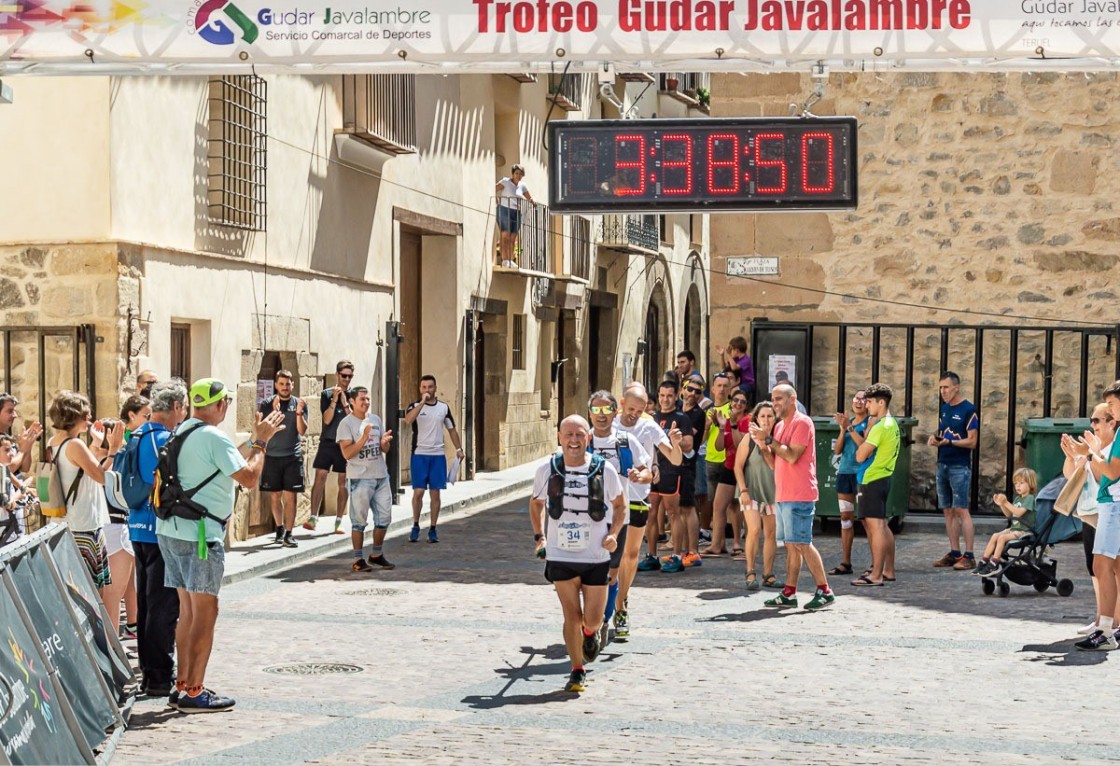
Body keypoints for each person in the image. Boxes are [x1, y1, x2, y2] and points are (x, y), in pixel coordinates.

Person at [158, 378, 284, 712]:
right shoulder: (213, 436)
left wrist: (255, 440)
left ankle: (182, 685)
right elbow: (249, 478)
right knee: (205, 615)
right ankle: (195, 691)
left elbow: (223, 462)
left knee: (186, 613)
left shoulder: (183, 430)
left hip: (171, 530)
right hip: (199, 534)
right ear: (222, 405)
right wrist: (262, 445)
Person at [530, 415, 625, 693]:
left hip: (595, 555)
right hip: (560, 554)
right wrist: (540, 537)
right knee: (571, 614)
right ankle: (577, 669)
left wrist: (613, 534)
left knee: (592, 619)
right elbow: (536, 504)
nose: (574, 440)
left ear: (588, 438)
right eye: (568, 434)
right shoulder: (546, 470)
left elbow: (620, 507)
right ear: (559, 437)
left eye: (579, 435)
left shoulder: (604, 470)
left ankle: (589, 633)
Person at [751, 384, 836, 611]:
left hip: (800, 493)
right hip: (783, 494)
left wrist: (768, 439)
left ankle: (824, 590)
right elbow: (773, 463)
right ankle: (789, 592)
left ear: (792, 399)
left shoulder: (802, 423)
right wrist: (762, 444)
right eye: (773, 398)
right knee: (791, 545)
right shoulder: (779, 428)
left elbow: (791, 456)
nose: (775, 402)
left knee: (802, 543)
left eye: (779, 399)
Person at [129, 379, 188, 698]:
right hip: (158, 530)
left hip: (138, 526)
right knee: (162, 606)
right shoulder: (163, 438)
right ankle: (159, 675)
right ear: (176, 408)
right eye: (184, 407)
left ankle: (151, 673)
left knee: (147, 604)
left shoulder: (137, 434)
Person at [613, 385, 681, 637]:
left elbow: (675, 460)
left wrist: (675, 445)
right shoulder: (609, 425)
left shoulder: (649, 427)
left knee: (630, 555)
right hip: (611, 501)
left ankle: (621, 603)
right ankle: (606, 601)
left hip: (637, 499)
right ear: (621, 403)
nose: (634, 415)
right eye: (630, 409)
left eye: (640, 411)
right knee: (609, 556)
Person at [46, 391, 124, 598]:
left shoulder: (53, 442)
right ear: (74, 416)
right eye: (85, 415)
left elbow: (81, 472)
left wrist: (95, 445)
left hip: (65, 522)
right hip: (83, 525)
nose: (89, 419)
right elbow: (99, 476)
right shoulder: (74, 444)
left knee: (72, 590)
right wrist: (114, 449)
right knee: (88, 592)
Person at [587, 391, 651, 643]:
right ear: (590, 413)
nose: (601, 416)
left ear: (615, 412)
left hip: (617, 518)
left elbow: (648, 473)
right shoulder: (583, 439)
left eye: (606, 411)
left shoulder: (625, 441)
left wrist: (639, 475)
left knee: (612, 573)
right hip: (587, 519)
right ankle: (593, 617)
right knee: (589, 572)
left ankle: (605, 617)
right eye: (596, 411)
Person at [1061, 403, 1118, 637]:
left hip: (1105, 510)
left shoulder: (1111, 448)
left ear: (1111, 422)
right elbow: (1070, 474)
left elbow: (1100, 474)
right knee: (1095, 569)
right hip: (1090, 512)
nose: (1092, 425)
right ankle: (1100, 619)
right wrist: (1073, 456)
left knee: (1109, 569)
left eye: (1096, 420)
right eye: (1091, 420)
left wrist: (1088, 454)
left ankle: (1111, 623)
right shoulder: (1094, 447)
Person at [1075, 380, 1120, 650]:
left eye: (1113, 404)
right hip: (1113, 503)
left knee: (1101, 565)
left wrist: (1091, 452)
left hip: (1114, 504)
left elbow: (1113, 472)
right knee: (1114, 567)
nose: (1111, 410)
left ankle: (1104, 631)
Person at [337, 387, 396, 572]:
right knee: (359, 522)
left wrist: (384, 444)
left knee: (385, 518)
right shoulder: (346, 424)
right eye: (362, 399)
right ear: (352, 402)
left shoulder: (376, 419)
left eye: (368, 399)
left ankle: (376, 555)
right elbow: (347, 453)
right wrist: (363, 438)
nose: (366, 402)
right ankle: (357, 559)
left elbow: (383, 450)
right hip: (359, 478)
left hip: (380, 476)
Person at [106, 394, 150, 639]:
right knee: (116, 590)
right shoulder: (128, 440)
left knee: (131, 580)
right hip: (119, 521)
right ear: (131, 415)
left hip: (127, 521)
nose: (149, 421)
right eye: (146, 416)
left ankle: (134, 624)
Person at [929, 371, 979, 571]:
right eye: (941, 387)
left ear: (956, 387)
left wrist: (951, 442)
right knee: (948, 511)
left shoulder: (968, 410)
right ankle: (954, 552)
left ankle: (970, 555)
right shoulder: (944, 410)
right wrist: (936, 440)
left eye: (946, 387)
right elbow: (943, 434)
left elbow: (972, 441)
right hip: (943, 463)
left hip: (959, 466)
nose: (943, 391)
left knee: (961, 510)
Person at [404, 375, 464, 544]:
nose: (427, 390)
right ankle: (415, 525)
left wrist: (458, 449)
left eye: (430, 387)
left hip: (437, 455)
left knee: (435, 493)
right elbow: (408, 420)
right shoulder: (414, 406)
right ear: (420, 389)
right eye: (424, 387)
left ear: (435, 388)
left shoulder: (443, 408)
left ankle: (432, 528)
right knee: (418, 492)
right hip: (419, 454)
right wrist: (422, 403)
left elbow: (451, 429)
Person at [851, 383, 900, 586]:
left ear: (881, 402)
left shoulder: (880, 427)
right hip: (883, 477)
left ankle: (876, 574)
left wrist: (868, 433)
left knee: (876, 527)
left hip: (872, 479)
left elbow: (861, 455)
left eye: (869, 401)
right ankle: (887, 570)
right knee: (882, 525)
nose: (866, 404)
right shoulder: (892, 423)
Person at [734, 400, 782, 591]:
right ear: (756, 418)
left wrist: (765, 446)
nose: (766, 420)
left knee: (771, 533)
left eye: (770, 416)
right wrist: (743, 490)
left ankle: (768, 574)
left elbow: (776, 465)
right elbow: (738, 466)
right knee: (754, 530)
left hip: (773, 492)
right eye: (762, 416)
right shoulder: (748, 438)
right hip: (751, 490)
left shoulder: (778, 439)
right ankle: (750, 571)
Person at [257, 370, 307, 548]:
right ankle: (279, 528)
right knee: (275, 495)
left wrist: (299, 414)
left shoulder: (299, 404)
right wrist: (274, 411)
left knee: (291, 497)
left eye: (288, 384)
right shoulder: (266, 404)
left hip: (292, 456)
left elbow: (302, 431)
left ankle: (290, 533)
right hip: (271, 456)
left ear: (293, 384)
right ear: (276, 385)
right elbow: (260, 428)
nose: (285, 387)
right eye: (282, 384)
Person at [649, 380, 695, 573]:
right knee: (650, 513)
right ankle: (651, 555)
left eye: (669, 395)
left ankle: (677, 555)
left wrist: (674, 441)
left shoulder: (682, 418)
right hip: (653, 469)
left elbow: (689, 444)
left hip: (672, 470)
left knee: (673, 513)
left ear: (676, 397)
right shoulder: (650, 418)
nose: (665, 399)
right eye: (662, 395)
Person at [307, 361, 355, 534]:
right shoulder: (326, 394)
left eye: (350, 376)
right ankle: (313, 517)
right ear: (337, 375)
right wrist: (335, 400)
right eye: (344, 376)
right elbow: (326, 420)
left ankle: (339, 520)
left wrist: (345, 402)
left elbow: (354, 421)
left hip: (345, 444)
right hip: (327, 441)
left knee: (343, 481)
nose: (347, 379)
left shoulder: (354, 395)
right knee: (320, 476)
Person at [830, 390, 871, 576]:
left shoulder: (871, 422)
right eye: (856, 398)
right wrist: (843, 429)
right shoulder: (849, 423)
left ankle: (875, 563)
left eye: (863, 399)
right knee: (846, 519)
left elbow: (865, 446)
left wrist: (850, 428)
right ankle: (846, 562)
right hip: (845, 473)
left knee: (868, 520)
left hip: (862, 474)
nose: (859, 401)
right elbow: (837, 451)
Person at [974, 468, 1038, 577]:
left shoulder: (1030, 498)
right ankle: (984, 561)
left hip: (1024, 531)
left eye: (1021, 483)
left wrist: (1006, 502)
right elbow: (1009, 515)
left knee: (1002, 538)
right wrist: (1002, 504)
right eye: (1016, 483)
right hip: (1015, 529)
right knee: (995, 535)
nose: (1018, 486)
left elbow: (1018, 513)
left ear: (1030, 484)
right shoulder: (1018, 499)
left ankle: (994, 562)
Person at [678, 376, 708, 568]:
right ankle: (682, 551)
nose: (693, 394)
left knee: (689, 507)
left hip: (688, 463)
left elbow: (687, 438)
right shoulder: (678, 410)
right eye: (690, 389)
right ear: (683, 388)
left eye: (698, 391)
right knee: (679, 509)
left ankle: (693, 551)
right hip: (673, 463)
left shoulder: (698, 414)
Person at [701, 373, 732, 548]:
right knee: (714, 503)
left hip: (727, 460)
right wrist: (707, 427)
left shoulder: (732, 409)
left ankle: (730, 541)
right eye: (718, 386)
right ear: (712, 389)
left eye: (724, 386)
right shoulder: (708, 410)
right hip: (711, 459)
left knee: (729, 505)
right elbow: (703, 440)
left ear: (729, 389)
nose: (721, 389)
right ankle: (718, 542)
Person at [495, 164, 533, 267]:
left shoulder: (522, 186)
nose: (518, 175)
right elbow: (494, 188)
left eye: (520, 174)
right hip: (504, 209)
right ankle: (504, 259)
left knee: (513, 237)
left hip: (516, 212)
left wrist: (533, 202)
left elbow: (529, 197)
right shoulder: (505, 182)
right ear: (513, 174)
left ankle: (510, 260)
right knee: (505, 235)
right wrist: (496, 198)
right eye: (516, 173)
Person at [0, 392, 43, 475]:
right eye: (10, 411)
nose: (15, 415)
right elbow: (8, 469)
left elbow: (25, 468)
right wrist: (23, 450)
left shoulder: (7, 438)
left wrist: (28, 444)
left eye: (14, 411)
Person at [716, 336, 756, 401]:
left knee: (734, 390)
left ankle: (731, 405)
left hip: (748, 384)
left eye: (731, 350)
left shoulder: (746, 359)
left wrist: (728, 355)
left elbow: (734, 368)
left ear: (736, 350)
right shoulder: (735, 359)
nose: (731, 352)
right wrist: (722, 355)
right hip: (739, 383)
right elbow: (724, 368)